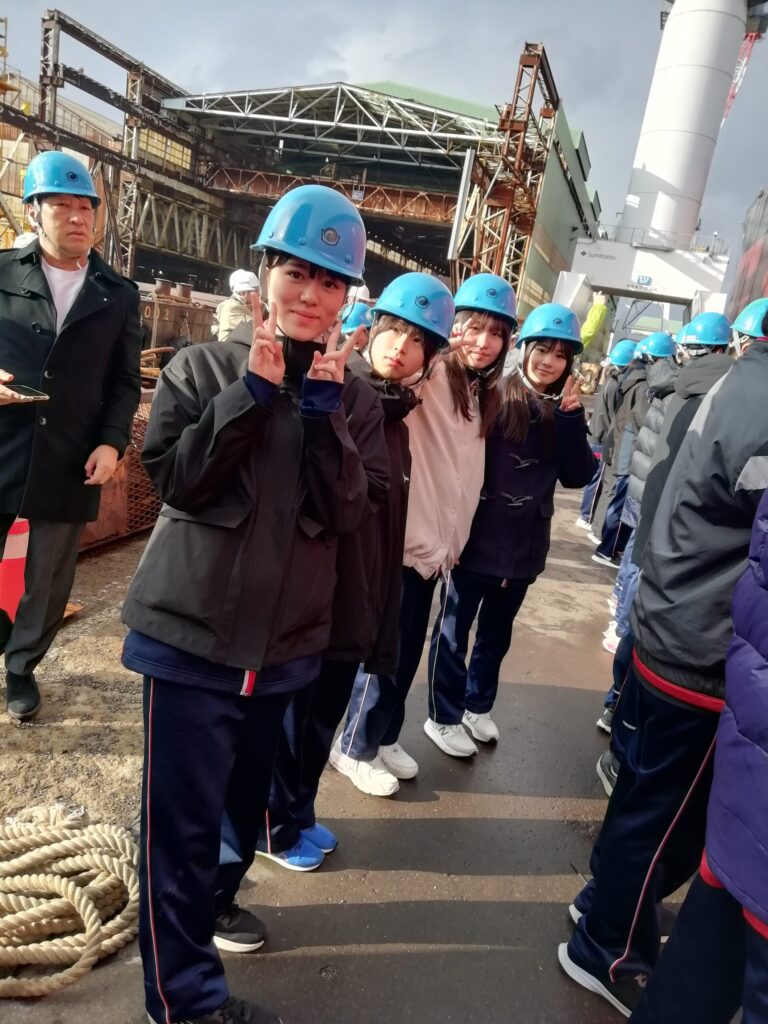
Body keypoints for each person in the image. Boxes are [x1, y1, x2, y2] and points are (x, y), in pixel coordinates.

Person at [121, 184, 385, 1024]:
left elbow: (348, 512)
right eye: (296, 272)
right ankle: (183, 1001)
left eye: (331, 281)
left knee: (241, 816)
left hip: (282, 653)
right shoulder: (202, 368)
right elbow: (176, 481)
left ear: (346, 299)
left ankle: (206, 919)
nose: (311, 293)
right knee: (180, 830)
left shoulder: (354, 398)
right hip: (192, 646)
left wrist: (323, 414)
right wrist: (253, 397)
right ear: (266, 273)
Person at [559, 306, 768, 1018]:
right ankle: (606, 947)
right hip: (703, 646)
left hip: (674, 619)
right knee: (668, 822)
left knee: (645, 803)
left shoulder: (732, 381)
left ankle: (602, 908)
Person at [259, 272, 453, 869]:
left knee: (320, 721)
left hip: (357, 596)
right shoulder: (338, 391)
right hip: (317, 594)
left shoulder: (394, 417)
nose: (401, 347)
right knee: (291, 722)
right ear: (367, 330)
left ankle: (299, 813)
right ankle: (273, 827)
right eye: (393, 331)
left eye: (417, 340)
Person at [332, 272, 517, 793]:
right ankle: (353, 746)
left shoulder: (481, 392)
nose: (483, 342)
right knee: (383, 652)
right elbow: (393, 369)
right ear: (450, 329)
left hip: (437, 548)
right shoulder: (432, 374)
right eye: (472, 327)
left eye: (496, 333)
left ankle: (385, 735)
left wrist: (454, 542)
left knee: (406, 651)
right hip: (404, 540)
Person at [0, 150, 142, 721]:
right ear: (34, 211)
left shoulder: (117, 293)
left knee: (49, 575)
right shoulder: (2, 273)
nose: (78, 216)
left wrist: (111, 443)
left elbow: (125, 381)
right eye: (61, 205)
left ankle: (20, 667)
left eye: (87, 206)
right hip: (4, 439)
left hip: (72, 451)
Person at [424, 302, 596, 754]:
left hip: (525, 545)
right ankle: (443, 715)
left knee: (496, 635)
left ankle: (476, 705)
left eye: (560, 355)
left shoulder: (565, 409)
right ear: (525, 348)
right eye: (543, 349)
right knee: (453, 631)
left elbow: (578, 475)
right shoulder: (494, 393)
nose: (549, 362)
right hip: (478, 538)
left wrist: (571, 419)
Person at [628, 486, 768, 1024]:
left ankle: (608, 934)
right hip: (692, 648)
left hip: (744, 768)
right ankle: (606, 943)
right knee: (650, 825)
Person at [601, 332, 678, 657]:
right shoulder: (675, 391)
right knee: (637, 558)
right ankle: (621, 627)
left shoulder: (654, 387)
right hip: (652, 487)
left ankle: (618, 603)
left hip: (639, 478)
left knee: (631, 555)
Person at [590, 342, 648, 568]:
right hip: (623, 448)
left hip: (617, 442)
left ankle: (602, 537)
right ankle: (606, 548)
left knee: (610, 494)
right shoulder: (640, 386)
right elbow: (641, 419)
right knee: (617, 500)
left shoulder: (624, 380)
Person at [575, 338, 636, 531]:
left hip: (597, 433)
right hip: (601, 438)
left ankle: (586, 515)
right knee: (596, 481)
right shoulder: (617, 385)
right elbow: (616, 414)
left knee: (595, 480)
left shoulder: (611, 378)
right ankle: (586, 516)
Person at [212, 269, 259, 341]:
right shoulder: (232, 307)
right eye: (255, 291)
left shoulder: (244, 305)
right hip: (231, 347)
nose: (258, 294)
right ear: (243, 293)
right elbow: (255, 328)